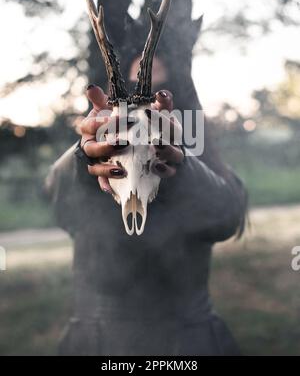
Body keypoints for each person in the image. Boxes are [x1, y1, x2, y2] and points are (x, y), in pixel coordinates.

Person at [46, 54, 247, 356]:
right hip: (97, 340)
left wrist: (184, 167)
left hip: (187, 342)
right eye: (133, 94)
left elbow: (228, 215)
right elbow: (56, 199)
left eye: (162, 90)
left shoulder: (203, 163)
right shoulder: (93, 158)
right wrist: (82, 157)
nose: (146, 114)